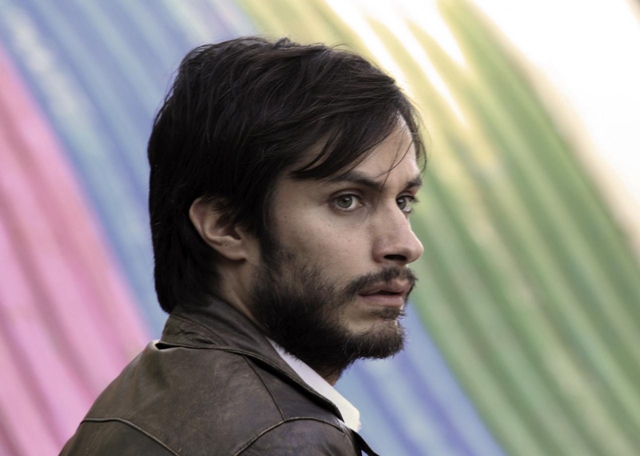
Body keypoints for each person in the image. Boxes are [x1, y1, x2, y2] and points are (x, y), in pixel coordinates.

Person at [61, 36, 426, 455]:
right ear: (227, 226)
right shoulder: (284, 442)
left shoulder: (137, 397)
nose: (406, 245)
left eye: (404, 201)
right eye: (346, 200)